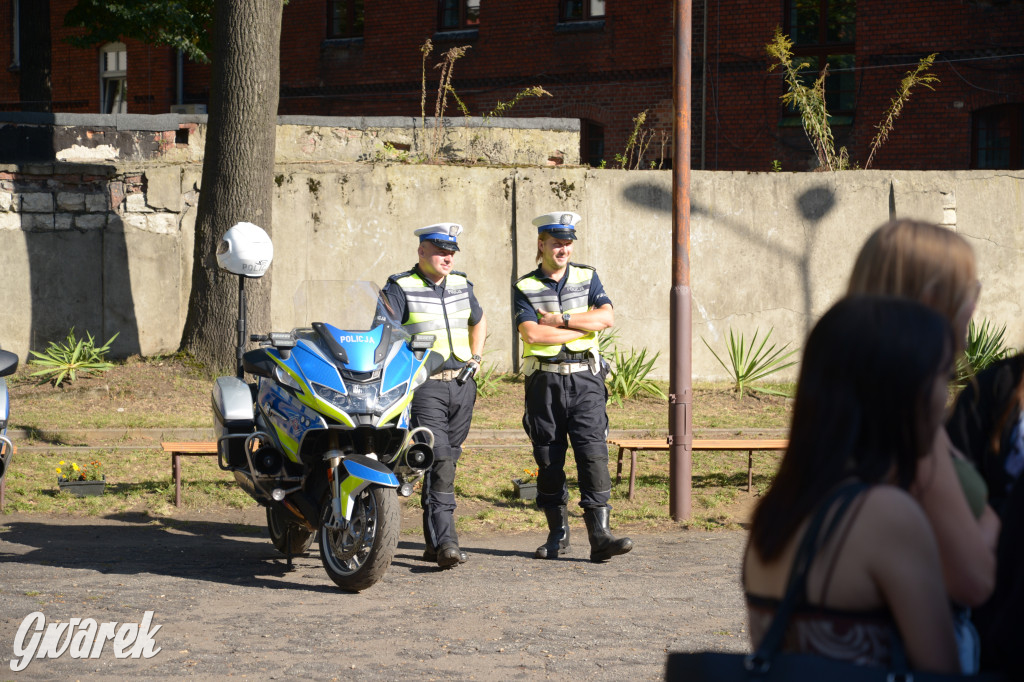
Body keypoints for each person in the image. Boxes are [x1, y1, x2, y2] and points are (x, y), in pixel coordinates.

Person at [744, 295, 960, 674]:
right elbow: (943, 669)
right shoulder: (884, 515)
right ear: (902, 391)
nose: (947, 397)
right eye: (944, 377)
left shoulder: (777, 508)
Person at [847, 218, 998, 673]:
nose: (975, 304)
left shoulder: (844, 400)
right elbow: (973, 579)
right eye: (970, 290)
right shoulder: (909, 418)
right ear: (935, 301)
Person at [513, 210, 631, 563]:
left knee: (593, 454)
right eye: (556, 243)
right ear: (542, 244)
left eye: (567, 243)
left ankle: (600, 536)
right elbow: (532, 333)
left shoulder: (587, 276)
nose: (563, 249)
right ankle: (557, 536)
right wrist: (584, 326)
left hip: (585, 379)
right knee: (548, 458)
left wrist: (563, 319)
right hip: (544, 381)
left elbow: (607, 318)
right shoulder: (525, 286)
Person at [382, 222, 486, 568]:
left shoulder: (461, 284)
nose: (448, 257)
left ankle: (433, 541)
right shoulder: (400, 287)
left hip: (462, 384)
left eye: (452, 251)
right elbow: (384, 333)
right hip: (426, 387)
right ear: (421, 251)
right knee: (439, 457)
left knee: (447, 459)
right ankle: (446, 542)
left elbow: (479, 319)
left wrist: (477, 357)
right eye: (441, 250)